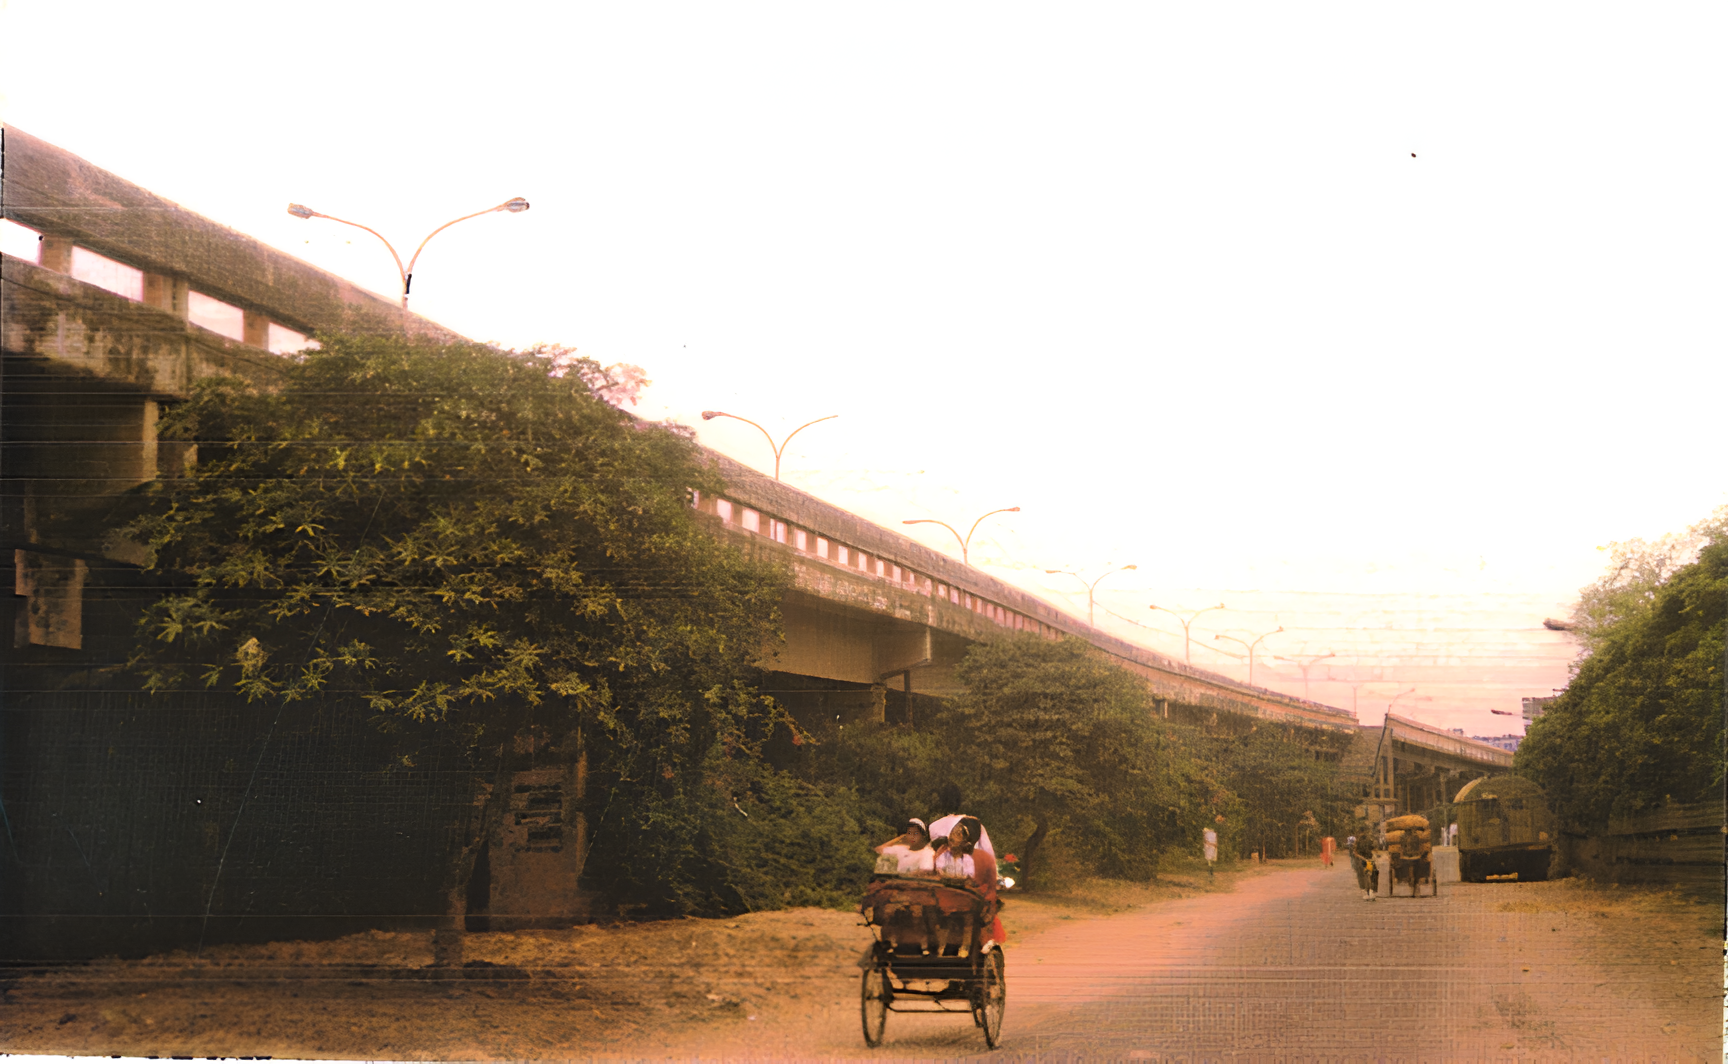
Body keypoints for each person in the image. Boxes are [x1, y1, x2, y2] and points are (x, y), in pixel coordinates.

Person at [932, 816, 999, 957]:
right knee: (944, 916)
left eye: (958, 834)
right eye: (952, 833)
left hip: (963, 894)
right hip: (946, 893)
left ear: (965, 842)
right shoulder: (943, 855)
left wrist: (959, 880)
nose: (953, 837)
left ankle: (965, 946)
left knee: (968, 915)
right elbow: (940, 871)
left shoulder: (968, 859)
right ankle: (940, 946)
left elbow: (969, 875)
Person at [1351, 830, 1378, 901]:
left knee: (1364, 877)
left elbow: (1355, 853)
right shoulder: (1369, 840)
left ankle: (1366, 892)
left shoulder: (1357, 842)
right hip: (1368, 860)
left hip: (1362, 860)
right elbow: (1374, 849)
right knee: (1371, 875)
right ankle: (1371, 892)